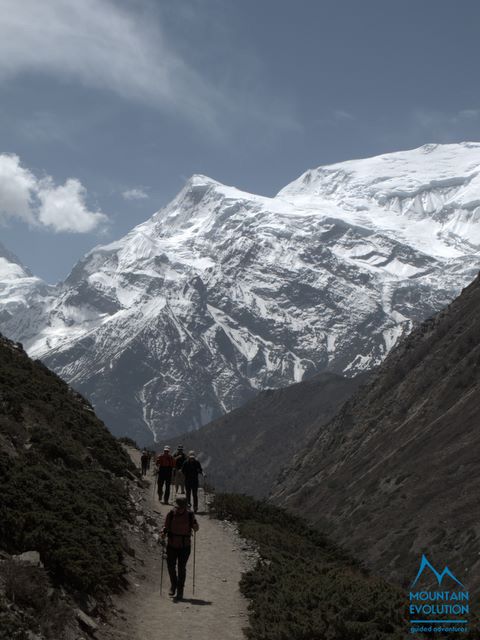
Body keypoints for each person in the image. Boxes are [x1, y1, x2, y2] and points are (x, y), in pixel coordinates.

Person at [161, 496, 199, 600]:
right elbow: (166, 527)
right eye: (177, 507)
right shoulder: (171, 513)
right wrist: (163, 533)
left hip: (185, 546)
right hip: (172, 544)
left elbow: (196, 528)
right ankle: (174, 585)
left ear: (185, 507)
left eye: (180, 507)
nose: (178, 509)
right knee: (170, 566)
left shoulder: (190, 515)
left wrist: (195, 525)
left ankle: (180, 589)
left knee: (181, 568)